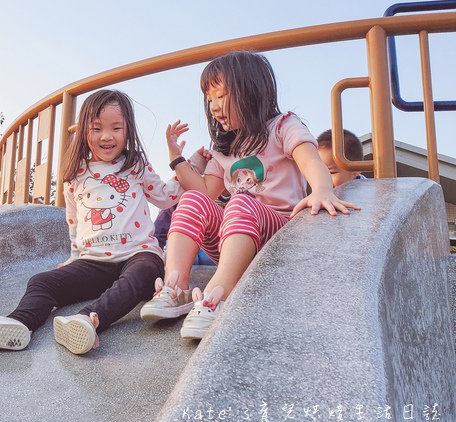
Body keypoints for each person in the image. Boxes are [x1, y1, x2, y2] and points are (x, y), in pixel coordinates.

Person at [0, 89, 195, 355]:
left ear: (128, 130)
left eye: (116, 128)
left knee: (143, 273)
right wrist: (74, 257)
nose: (106, 136)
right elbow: (74, 221)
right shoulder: (76, 174)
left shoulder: (135, 164)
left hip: (138, 254)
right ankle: (17, 322)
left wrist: (186, 165)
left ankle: (87, 320)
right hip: (93, 261)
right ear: (84, 131)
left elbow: (165, 196)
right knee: (42, 281)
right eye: (97, 128)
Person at [140, 51, 359, 340]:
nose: (214, 107)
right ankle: (175, 287)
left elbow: (310, 160)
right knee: (192, 200)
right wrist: (177, 159)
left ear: (251, 90)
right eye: (210, 99)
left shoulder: (283, 126)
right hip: (236, 241)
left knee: (242, 199)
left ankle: (218, 296)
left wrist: (321, 189)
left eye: (221, 96)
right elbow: (205, 192)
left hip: (277, 238)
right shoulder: (224, 148)